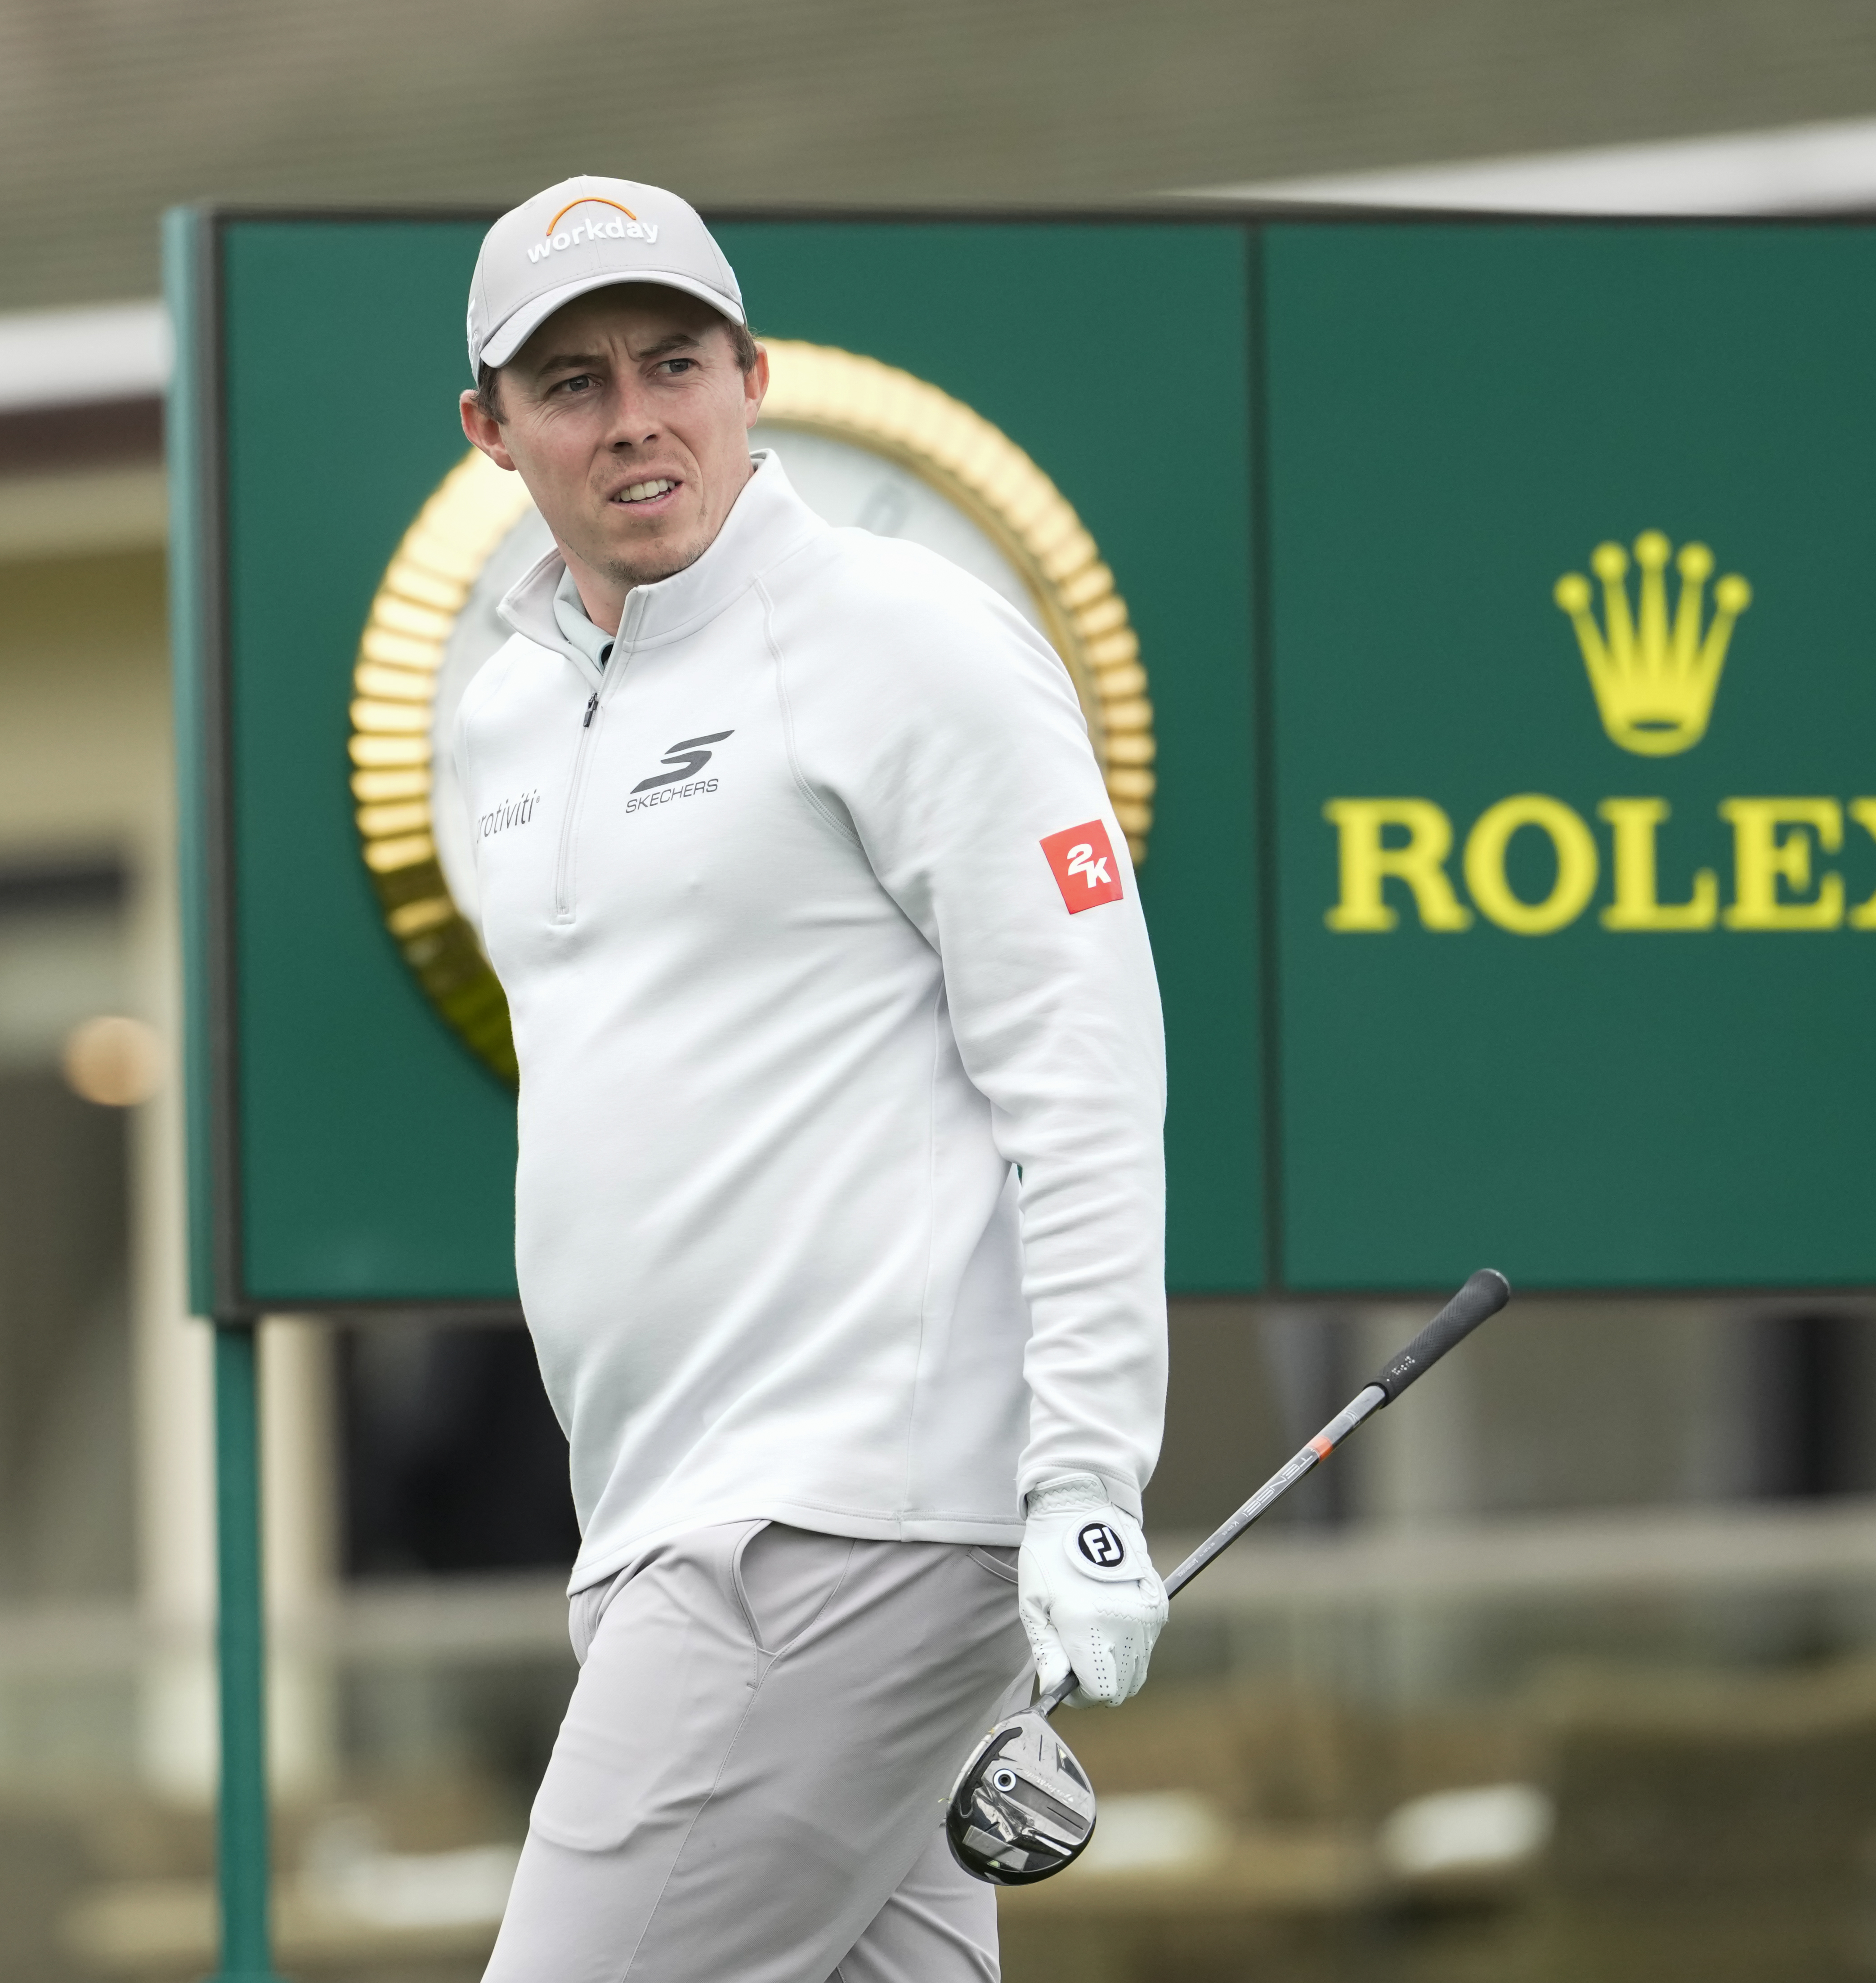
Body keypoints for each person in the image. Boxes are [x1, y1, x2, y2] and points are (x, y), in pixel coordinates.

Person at [448, 175, 1172, 1982]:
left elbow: (1079, 1076)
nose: (634, 421)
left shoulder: (906, 638)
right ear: (492, 429)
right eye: (573, 382)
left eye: (673, 362)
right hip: (659, 1517)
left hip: (841, 1507)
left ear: (752, 374)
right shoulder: (502, 716)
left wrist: (1088, 1470)